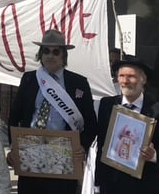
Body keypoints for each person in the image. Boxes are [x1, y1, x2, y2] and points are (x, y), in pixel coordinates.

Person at [7, 29, 98, 194]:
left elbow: (91, 124)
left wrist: (82, 147)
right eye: (46, 51)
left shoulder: (79, 83)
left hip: (63, 158)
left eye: (56, 51)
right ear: (40, 54)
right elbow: (14, 116)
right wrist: (13, 146)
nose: (50, 55)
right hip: (31, 155)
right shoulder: (29, 79)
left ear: (64, 55)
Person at [95, 55, 159, 194]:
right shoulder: (107, 105)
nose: (125, 81)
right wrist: (98, 181)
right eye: (122, 76)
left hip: (145, 186)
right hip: (112, 184)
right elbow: (101, 143)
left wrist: (153, 155)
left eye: (131, 76)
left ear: (143, 79)